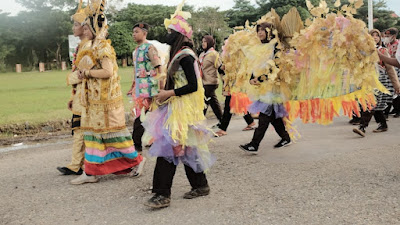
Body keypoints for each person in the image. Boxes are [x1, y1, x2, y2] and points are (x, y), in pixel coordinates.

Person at [143, 1, 214, 208]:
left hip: (181, 110)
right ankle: (201, 186)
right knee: (188, 148)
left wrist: (168, 93)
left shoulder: (185, 55)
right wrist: (162, 94)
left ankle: (161, 194)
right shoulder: (178, 53)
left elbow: (192, 85)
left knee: (168, 149)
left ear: (178, 33)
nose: (167, 34)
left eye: (169, 31)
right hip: (177, 107)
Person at [70, 0, 144, 185]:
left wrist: (86, 73)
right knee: (93, 134)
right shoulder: (92, 46)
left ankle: (137, 161)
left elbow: (108, 72)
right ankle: (91, 172)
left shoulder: (103, 47)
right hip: (93, 99)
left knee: (114, 135)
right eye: (84, 28)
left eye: (87, 28)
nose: (85, 32)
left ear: (96, 28)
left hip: (106, 102)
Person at [239, 22, 291, 154]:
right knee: (273, 116)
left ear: (269, 32)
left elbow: (277, 68)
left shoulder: (276, 47)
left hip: (272, 87)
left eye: (263, 30)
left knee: (265, 115)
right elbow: (255, 65)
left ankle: (254, 144)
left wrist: (262, 78)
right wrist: (252, 77)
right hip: (262, 88)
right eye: (258, 30)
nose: (260, 33)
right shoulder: (258, 47)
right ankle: (285, 138)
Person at [57, 0, 87, 176]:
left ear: (84, 28)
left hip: (87, 97)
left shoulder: (88, 47)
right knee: (78, 129)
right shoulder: (80, 47)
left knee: (85, 132)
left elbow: (83, 74)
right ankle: (76, 164)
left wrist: (71, 78)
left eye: (76, 24)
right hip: (79, 96)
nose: (73, 28)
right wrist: (72, 96)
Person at [353, 29, 400, 137]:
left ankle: (362, 127)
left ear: (380, 38)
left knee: (371, 103)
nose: (375, 37)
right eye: (372, 35)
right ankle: (383, 124)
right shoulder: (363, 52)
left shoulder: (383, 51)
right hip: (367, 82)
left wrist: (396, 85)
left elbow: (390, 69)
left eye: (377, 36)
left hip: (381, 82)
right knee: (377, 106)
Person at [127, 22, 162, 152]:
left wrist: (161, 88)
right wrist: (132, 86)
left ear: (144, 33)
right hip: (140, 90)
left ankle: (136, 145)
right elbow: (136, 71)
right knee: (144, 116)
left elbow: (159, 67)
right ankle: (148, 141)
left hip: (151, 89)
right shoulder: (135, 51)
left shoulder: (149, 48)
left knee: (142, 117)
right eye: (133, 32)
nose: (134, 35)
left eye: (137, 32)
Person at [215, 64, 256, 137]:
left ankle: (223, 129)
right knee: (239, 104)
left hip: (236, 84)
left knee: (229, 105)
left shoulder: (239, 55)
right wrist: (221, 68)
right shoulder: (228, 56)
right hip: (231, 84)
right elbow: (222, 69)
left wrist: (251, 78)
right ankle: (250, 122)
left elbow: (246, 67)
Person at [199, 35, 223, 126]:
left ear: (209, 43)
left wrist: (224, 83)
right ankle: (222, 121)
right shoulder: (202, 54)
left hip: (211, 82)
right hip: (203, 82)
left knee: (204, 101)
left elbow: (220, 68)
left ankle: (199, 122)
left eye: (205, 42)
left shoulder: (214, 54)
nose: (203, 43)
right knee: (213, 102)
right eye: (202, 42)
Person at [382, 28, 400, 118]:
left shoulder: (398, 44)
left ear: (394, 36)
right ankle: (393, 109)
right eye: (385, 36)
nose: (386, 38)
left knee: (396, 90)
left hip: (397, 69)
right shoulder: (387, 44)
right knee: (390, 89)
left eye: (388, 36)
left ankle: (397, 110)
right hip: (389, 68)